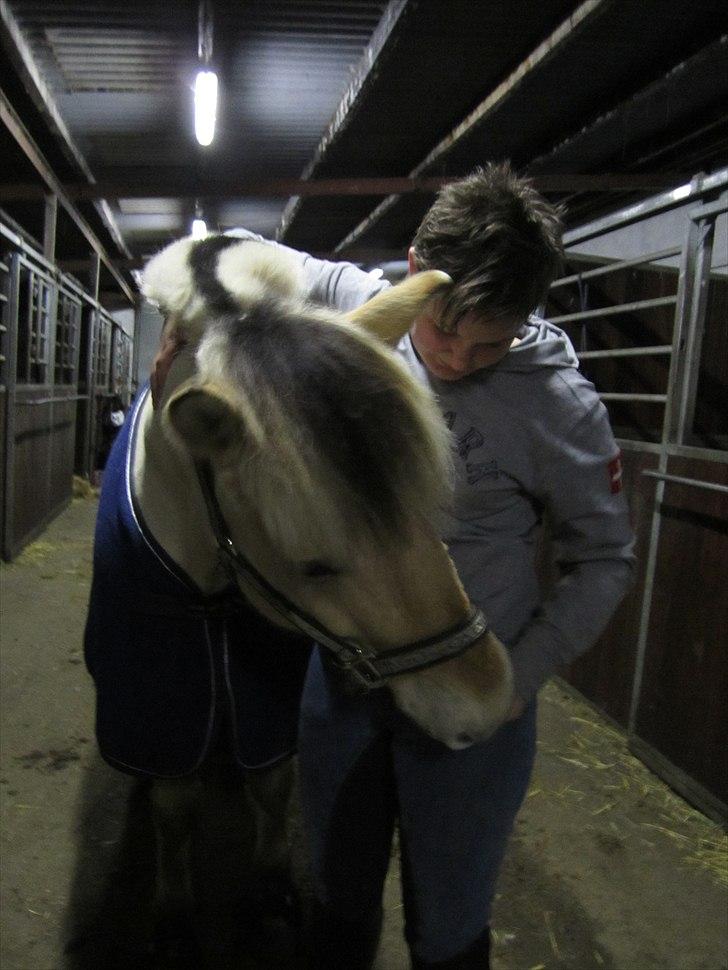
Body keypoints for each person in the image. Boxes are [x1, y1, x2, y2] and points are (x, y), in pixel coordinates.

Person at [230, 162, 634, 969]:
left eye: (491, 342)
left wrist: (521, 676)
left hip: (471, 688)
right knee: (336, 896)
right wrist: (188, 317)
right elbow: (234, 250)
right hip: (347, 682)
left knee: (447, 925)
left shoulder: (558, 409)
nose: (456, 357)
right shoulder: (363, 307)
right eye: (444, 330)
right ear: (416, 272)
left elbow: (606, 559)